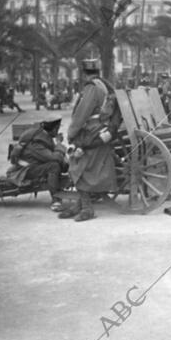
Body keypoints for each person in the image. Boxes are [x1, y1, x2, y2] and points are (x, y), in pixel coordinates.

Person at [60, 60, 118, 222]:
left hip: (92, 131)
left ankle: (86, 207)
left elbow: (82, 114)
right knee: (82, 164)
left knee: (77, 163)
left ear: (83, 73)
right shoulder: (104, 85)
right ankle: (80, 203)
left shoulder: (91, 88)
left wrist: (72, 133)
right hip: (103, 130)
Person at [8, 117, 67, 210]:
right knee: (54, 166)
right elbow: (54, 157)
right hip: (23, 171)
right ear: (55, 129)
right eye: (58, 128)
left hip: (33, 166)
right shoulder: (37, 142)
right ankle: (56, 200)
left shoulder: (42, 135)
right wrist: (59, 143)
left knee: (59, 164)